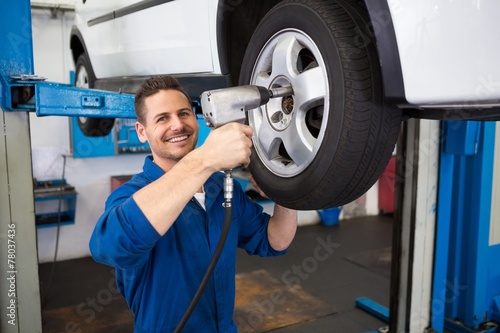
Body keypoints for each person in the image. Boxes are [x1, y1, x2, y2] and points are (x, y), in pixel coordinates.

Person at [89, 75, 298, 332]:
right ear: (141, 132)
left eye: (184, 113)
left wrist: (289, 181)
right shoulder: (131, 196)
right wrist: (204, 159)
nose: (177, 125)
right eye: (162, 118)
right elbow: (112, 246)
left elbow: (274, 240)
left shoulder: (220, 187)